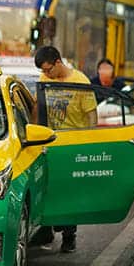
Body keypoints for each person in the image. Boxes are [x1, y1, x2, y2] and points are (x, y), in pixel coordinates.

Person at [31, 46, 97, 253]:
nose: (46, 73)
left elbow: (91, 115)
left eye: (49, 69)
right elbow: (38, 107)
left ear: (58, 62)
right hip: (49, 142)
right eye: (44, 70)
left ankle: (69, 236)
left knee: (69, 192)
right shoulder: (44, 80)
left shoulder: (80, 81)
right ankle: (46, 230)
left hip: (72, 143)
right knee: (47, 187)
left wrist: (91, 141)